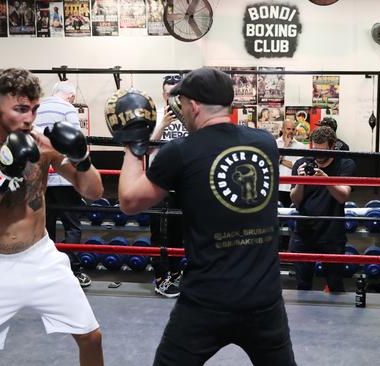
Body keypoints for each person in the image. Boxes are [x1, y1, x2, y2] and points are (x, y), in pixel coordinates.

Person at [110, 67, 296, 365]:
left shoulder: (181, 151)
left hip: (207, 300)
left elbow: (129, 201)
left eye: (182, 103)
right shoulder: (265, 143)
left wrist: (132, 146)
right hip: (265, 298)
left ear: (193, 105)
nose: (181, 110)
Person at [0, 68, 104, 366]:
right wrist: (3, 175)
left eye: (34, 109)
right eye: (20, 109)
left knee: (91, 337)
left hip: (39, 257)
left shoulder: (42, 144)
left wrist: (83, 158)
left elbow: (93, 192)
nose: (29, 119)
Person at [33, 81, 92, 288]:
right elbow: (76, 142)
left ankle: (46, 272)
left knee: (45, 226)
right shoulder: (68, 108)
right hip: (64, 177)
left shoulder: (38, 107)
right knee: (72, 226)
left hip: (42, 179)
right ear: (71, 97)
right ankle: (71, 272)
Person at [289, 126, 355, 293]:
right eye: (315, 149)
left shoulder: (345, 164)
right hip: (304, 231)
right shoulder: (302, 163)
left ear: (333, 147)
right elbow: (296, 201)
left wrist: (326, 180)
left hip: (332, 232)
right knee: (302, 286)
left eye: (323, 150)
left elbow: (343, 196)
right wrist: (300, 182)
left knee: (335, 286)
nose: (318, 155)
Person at [148, 74, 187, 298]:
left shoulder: (190, 117)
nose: (172, 96)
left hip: (183, 182)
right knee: (159, 233)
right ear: (163, 94)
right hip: (159, 182)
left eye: (176, 92)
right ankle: (161, 278)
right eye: (168, 92)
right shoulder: (155, 116)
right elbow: (147, 149)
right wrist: (163, 124)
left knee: (178, 233)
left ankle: (175, 273)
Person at [276, 119, 305, 208]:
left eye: (293, 129)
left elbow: (297, 167)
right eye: (288, 129)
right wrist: (285, 146)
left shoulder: (300, 146)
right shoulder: (275, 143)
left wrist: (280, 160)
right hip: (277, 187)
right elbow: (272, 164)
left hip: (293, 189)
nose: (291, 131)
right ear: (282, 129)